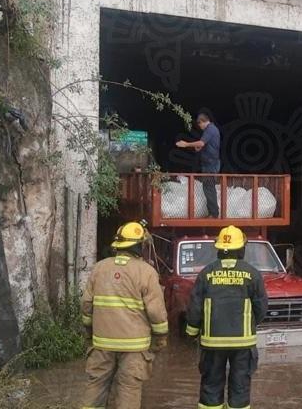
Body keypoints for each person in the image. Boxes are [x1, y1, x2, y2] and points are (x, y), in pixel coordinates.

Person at [81, 220, 169, 409]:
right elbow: (156, 313)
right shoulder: (147, 272)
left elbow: (87, 307)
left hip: (102, 344)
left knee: (95, 387)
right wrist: (160, 338)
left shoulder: (99, 268)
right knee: (128, 391)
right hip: (135, 348)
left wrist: (89, 335)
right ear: (140, 246)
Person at [185, 225, 268, 409]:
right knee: (240, 388)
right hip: (243, 343)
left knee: (211, 388)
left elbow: (194, 307)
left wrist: (191, 333)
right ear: (241, 249)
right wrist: (250, 325)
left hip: (212, 343)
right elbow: (261, 308)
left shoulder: (206, 273)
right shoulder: (252, 274)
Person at [176, 112, 221, 218]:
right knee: (208, 187)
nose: (200, 127)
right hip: (210, 163)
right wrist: (200, 148)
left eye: (199, 124)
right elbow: (205, 144)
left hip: (210, 164)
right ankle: (213, 212)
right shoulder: (211, 130)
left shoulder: (210, 129)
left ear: (202, 122)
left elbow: (201, 143)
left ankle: (214, 214)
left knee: (209, 188)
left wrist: (186, 144)